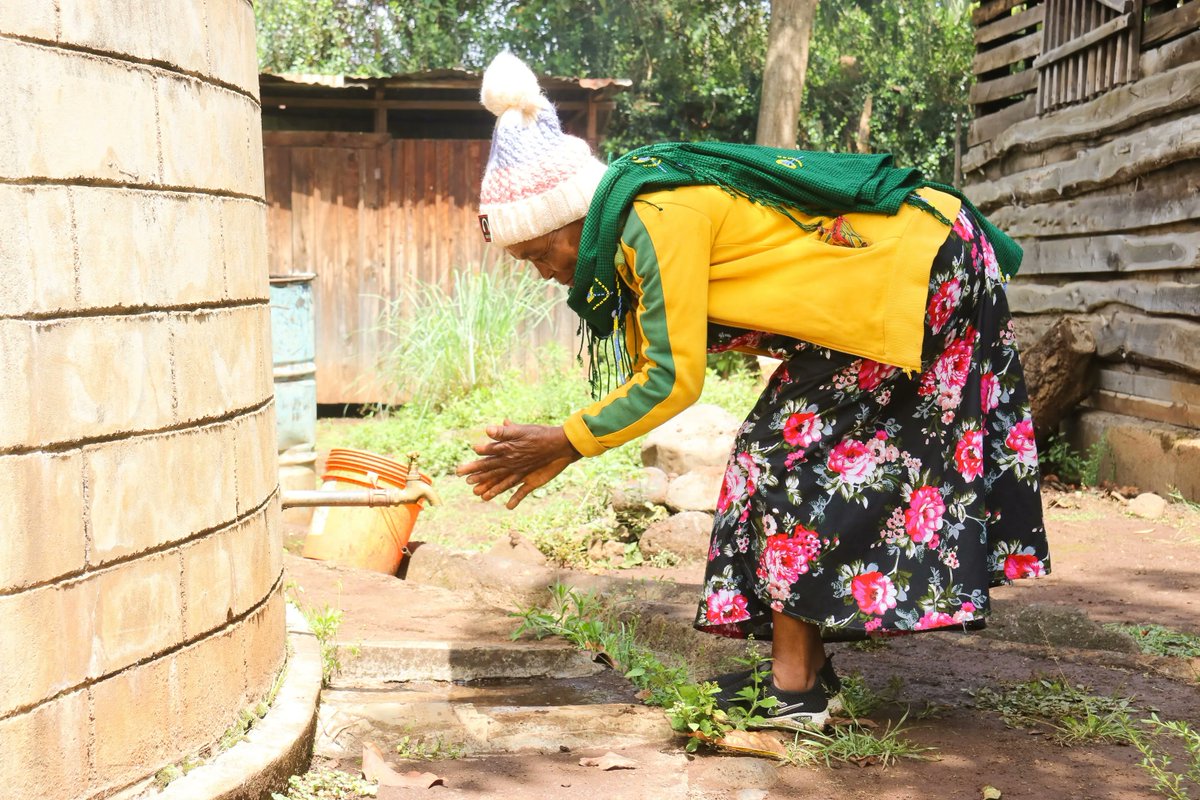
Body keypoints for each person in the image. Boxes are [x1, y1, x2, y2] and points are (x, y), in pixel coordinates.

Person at [458, 52, 1050, 730]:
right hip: (904, 265)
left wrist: (568, 440)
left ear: (571, 220)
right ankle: (804, 672)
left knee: (778, 451)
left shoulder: (651, 218)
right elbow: (665, 354)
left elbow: (670, 380)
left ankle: (795, 689)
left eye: (539, 253)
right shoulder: (632, 222)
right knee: (780, 451)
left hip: (920, 263)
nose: (542, 273)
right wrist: (571, 439)